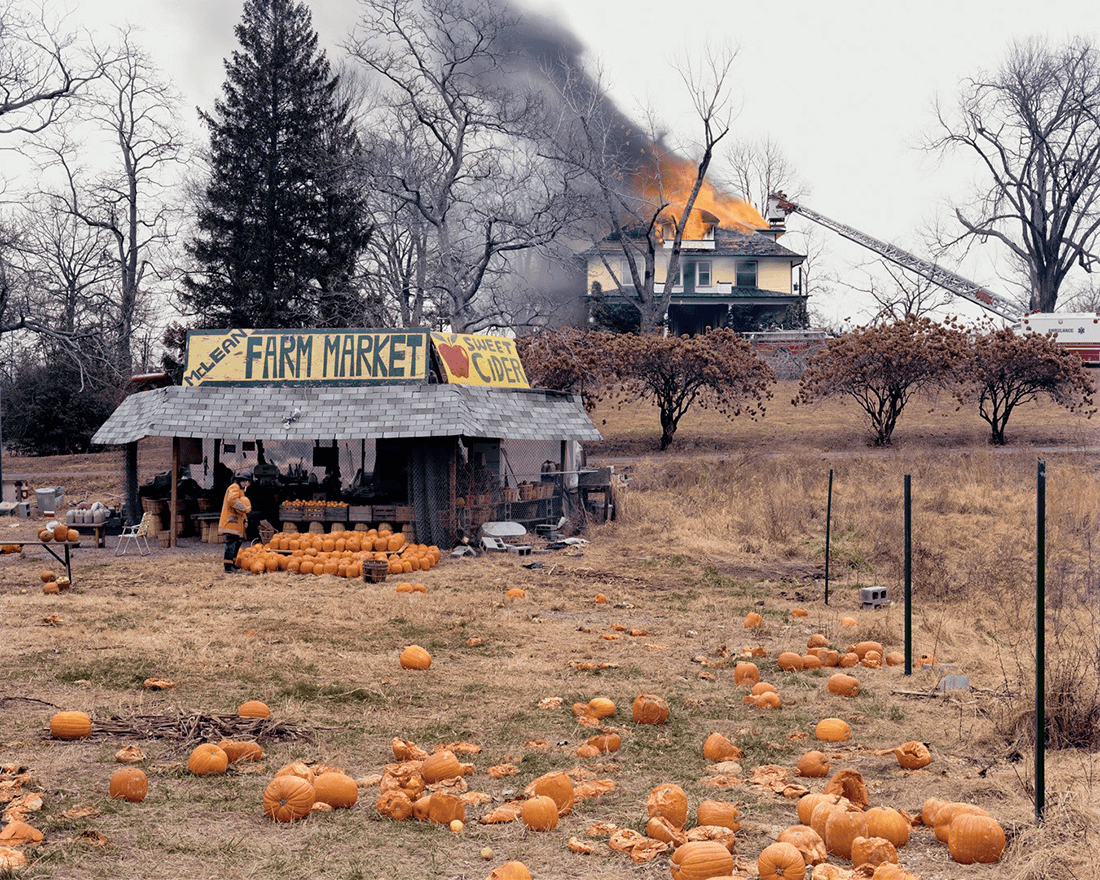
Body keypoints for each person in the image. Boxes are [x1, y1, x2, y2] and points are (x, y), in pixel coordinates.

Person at [218, 471, 252, 573]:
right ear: (245, 481)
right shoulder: (234, 487)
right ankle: (228, 566)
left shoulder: (240, 491)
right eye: (249, 482)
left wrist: (245, 519)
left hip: (237, 522)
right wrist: (245, 508)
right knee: (231, 543)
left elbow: (241, 507)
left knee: (237, 542)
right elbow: (232, 500)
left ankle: (232, 563)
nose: (249, 485)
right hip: (231, 521)